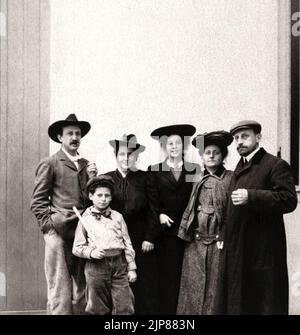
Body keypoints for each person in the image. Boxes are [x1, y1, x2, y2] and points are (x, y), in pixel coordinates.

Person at [225, 120, 298, 315]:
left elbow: (289, 199)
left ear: (258, 137)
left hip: (265, 253)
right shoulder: (238, 170)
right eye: (236, 138)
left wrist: (252, 196)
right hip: (241, 252)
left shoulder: (275, 164)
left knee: (266, 305)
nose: (240, 142)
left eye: (245, 136)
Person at [30, 114, 97, 315]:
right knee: (59, 288)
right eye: (69, 134)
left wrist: (93, 178)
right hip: (58, 234)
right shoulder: (50, 163)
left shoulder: (86, 164)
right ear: (60, 137)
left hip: (82, 233)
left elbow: (90, 199)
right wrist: (50, 228)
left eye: (78, 134)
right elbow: (38, 201)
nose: (74, 137)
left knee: (82, 287)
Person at [177, 130, 233, 315]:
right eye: (207, 152)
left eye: (215, 152)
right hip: (195, 245)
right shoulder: (196, 179)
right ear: (202, 156)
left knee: (215, 292)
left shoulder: (231, 179)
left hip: (220, 244)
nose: (211, 156)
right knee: (192, 292)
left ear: (223, 155)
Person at [105, 134, 160, 314]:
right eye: (122, 154)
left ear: (136, 156)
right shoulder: (107, 179)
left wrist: (150, 237)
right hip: (114, 240)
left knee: (143, 283)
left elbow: (154, 209)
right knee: (118, 282)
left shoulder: (145, 178)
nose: (126, 158)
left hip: (140, 238)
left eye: (130, 154)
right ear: (116, 156)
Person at [148, 124, 200, 314]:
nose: (174, 147)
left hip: (188, 232)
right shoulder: (155, 170)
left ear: (183, 146)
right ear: (165, 146)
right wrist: (160, 214)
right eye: (170, 143)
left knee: (187, 277)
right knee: (167, 277)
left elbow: (196, 198)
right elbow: (152, 201)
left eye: (178, 143)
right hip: (166, 233)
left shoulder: (193, 170)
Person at [72, 175, 137, 315]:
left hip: (119, 266)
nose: (103, 199)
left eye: (107, 195)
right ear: (91, 196)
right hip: (96, 267)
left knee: (125, 306)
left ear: (111, 197)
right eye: (99, 195)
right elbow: (77, 248)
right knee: (97, 308)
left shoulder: (118, 217)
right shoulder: (85, 219)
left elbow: (127, 244)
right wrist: (91, 253)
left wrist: (132, 268)